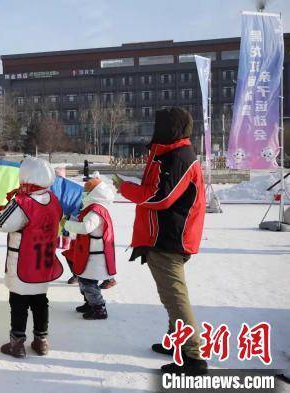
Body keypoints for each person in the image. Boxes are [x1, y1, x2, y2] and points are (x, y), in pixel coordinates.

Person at [112, 107, 207, 375]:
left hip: (170, 239)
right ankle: (177, 341)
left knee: (175, 296)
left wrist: (124, 188)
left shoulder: (178, 157)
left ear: (169, 128)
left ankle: (193, 357)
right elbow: (156, 190)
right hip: (163, 237)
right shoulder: (168, 154)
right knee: (171, 295)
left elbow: (161, 198)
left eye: (158, 125)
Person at [0, 157, 63, 358]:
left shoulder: (24, 202)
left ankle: (17, 343)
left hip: (23, 261)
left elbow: (2, 223)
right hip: (43, 260)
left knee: (19, 302)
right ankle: (41, 340)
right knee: (40, 300)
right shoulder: (52, 200)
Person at [62, 178, 116, 320]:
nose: (84, 193)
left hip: (94, 255)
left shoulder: (95, 210)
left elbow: (86, 228)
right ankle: (90, 303)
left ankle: (98, 308)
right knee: (84, 280)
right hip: (89, 253)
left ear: (94, 192)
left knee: (88, 282)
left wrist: (67, 224)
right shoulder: (92, 209)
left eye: (86, 190)